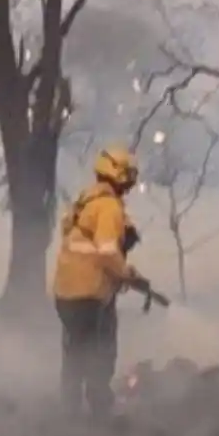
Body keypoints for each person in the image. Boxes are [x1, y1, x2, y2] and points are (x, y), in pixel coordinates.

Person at [53, 146, 146, 419]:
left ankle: (69, 410)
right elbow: (107, 252)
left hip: (65, 292)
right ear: (117, 174)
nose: (130, 183)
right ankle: (100, 409)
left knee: (74, 351)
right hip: (90, 293)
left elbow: (82, 243)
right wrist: (127, 273)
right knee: (100, 351)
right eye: (128, 176)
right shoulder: (109, 208)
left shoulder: (86, 201)